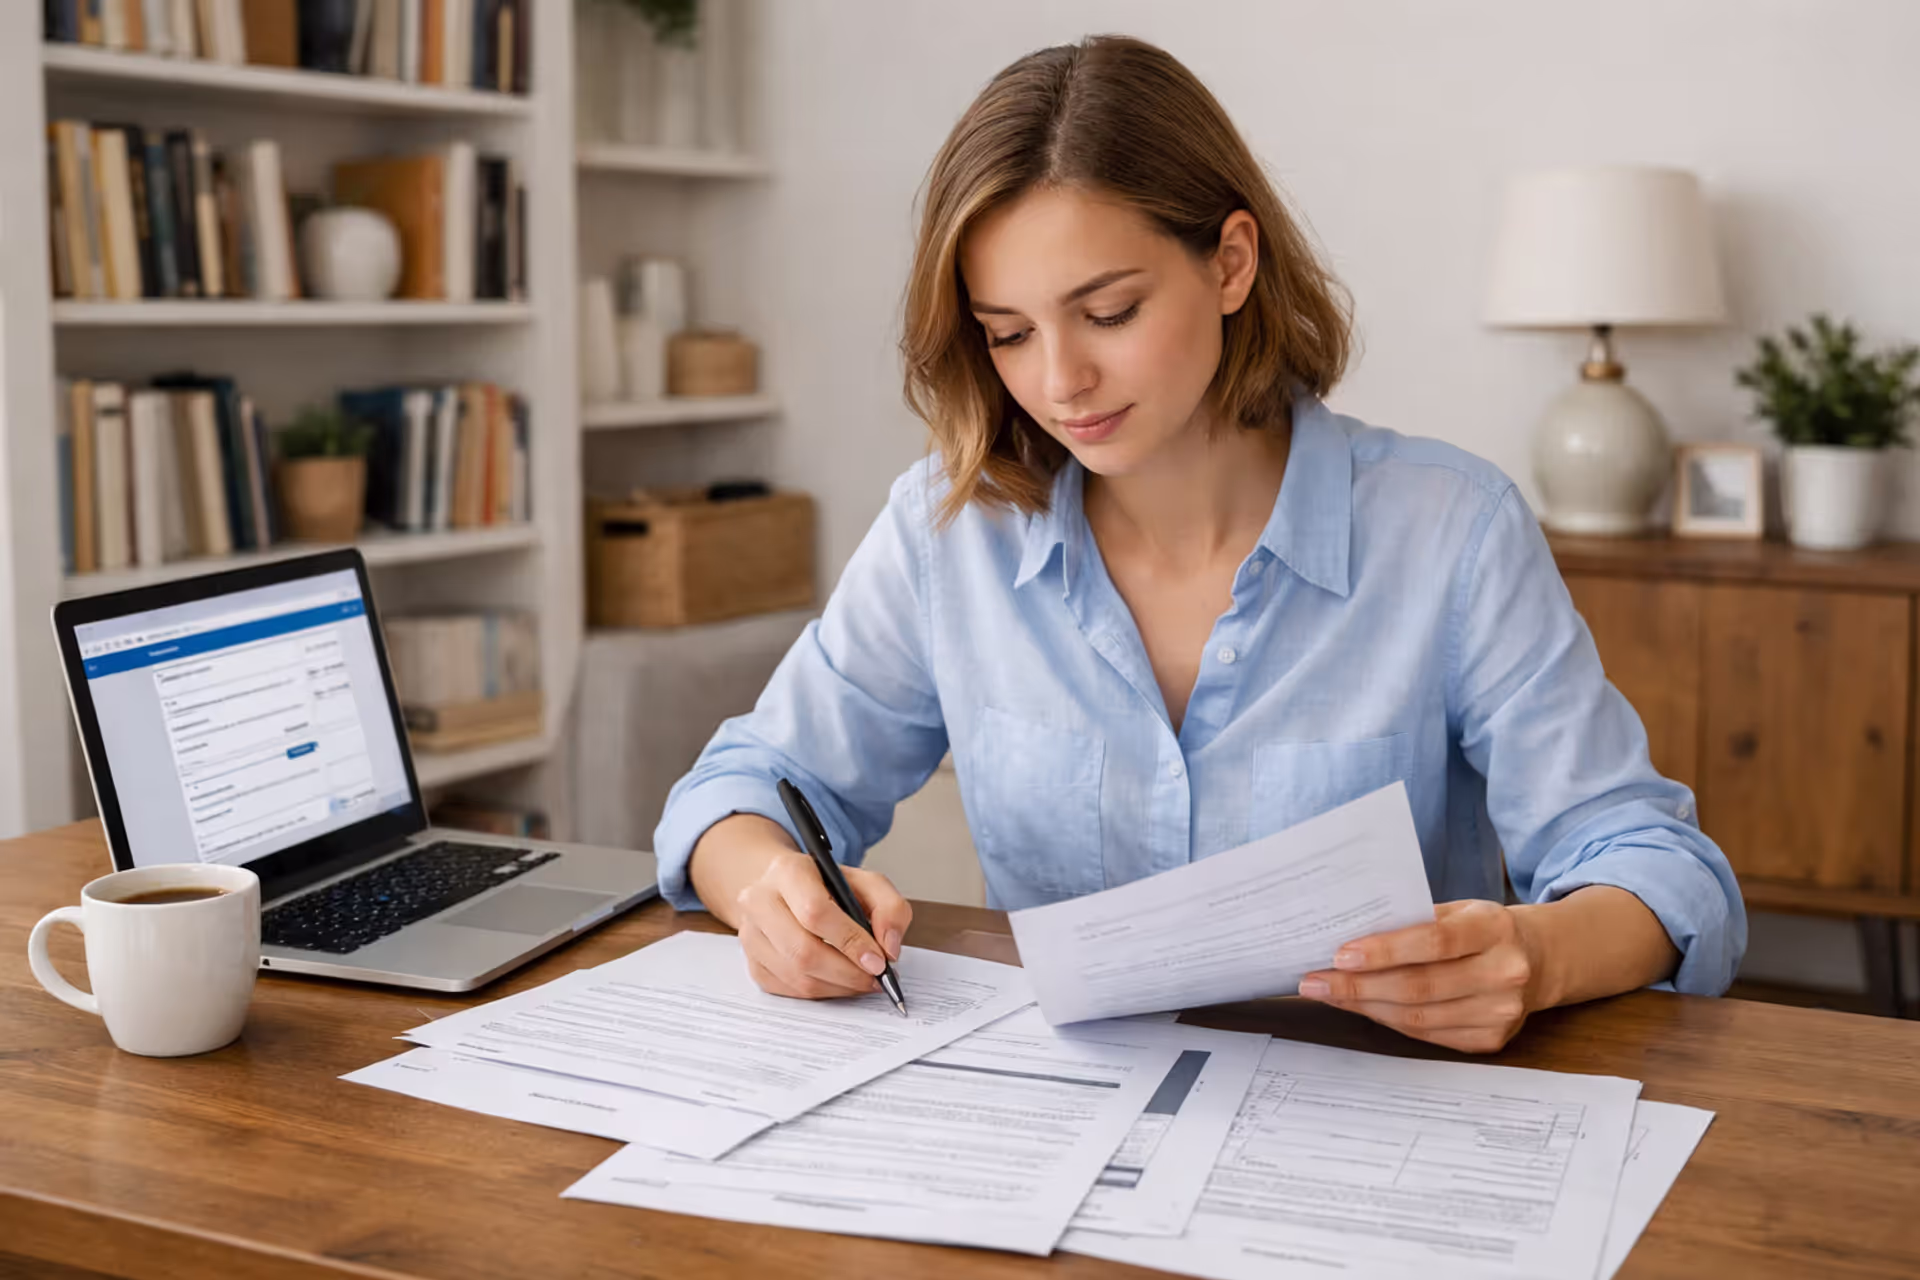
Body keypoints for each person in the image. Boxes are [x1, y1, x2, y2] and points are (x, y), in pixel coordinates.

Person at [653, 35, 1745, 1054]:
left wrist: (1537, 953)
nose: (1058, 381)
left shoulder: (1449, 530)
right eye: (1008, 334)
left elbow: (1660, 870)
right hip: (1058, 1145)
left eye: (1110, 312)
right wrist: (768, 889)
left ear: (1230, 263)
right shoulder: (952, 531)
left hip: (1370, 1141)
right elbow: (749, 784)